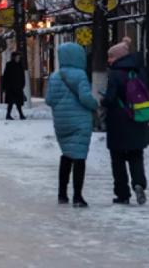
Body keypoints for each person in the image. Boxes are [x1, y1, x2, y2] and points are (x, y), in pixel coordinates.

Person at [46, 42, 97, 208]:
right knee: (79, 157)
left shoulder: (55, 76)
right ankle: (77, 196)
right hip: (80, 122)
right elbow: (85, 98)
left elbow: (49, 100)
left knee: (67, 155)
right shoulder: (80, 75)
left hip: (61, 123)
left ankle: (62, 194)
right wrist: (95, 104)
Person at [104, 37, 149, 205]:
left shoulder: (115, 74)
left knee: (118, 159)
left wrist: (104, 101)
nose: (109, 60)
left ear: (118, 57)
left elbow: (110, 98)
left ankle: (122, 194)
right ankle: (138, 184)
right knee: (136, 155)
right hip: (137, 118)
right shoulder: (140, 71)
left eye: (111, 57)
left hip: (118, 122)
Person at [1, 52, 26, 120]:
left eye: (19, 57)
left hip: (18, 87)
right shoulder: (9, 65)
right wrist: (4, 87)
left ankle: (21, 115)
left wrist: (23, 84)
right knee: (11, 102)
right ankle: (8, 115)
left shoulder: (20, 65)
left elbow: (22, 76)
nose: (18, 58)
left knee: (18, 103)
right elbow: (5, 76)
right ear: (14, 57)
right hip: (10, 88)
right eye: (17, 57)